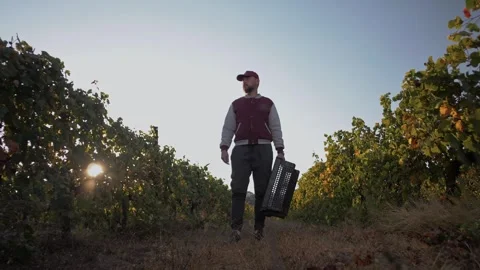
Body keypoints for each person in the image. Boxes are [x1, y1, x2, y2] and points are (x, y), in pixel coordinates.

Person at [219, 70, 285, 242]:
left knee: (261, 191)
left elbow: (276, 126)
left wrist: (280, 149)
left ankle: (258, 229)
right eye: (242, 80)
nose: (244, 82)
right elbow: (228, 127)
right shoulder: (236, 104)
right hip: (240, 150)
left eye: (247, 79)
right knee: (238, 189)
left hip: (264, 149)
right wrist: (224, 147)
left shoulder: (268, 103)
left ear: (257, 81)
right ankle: (236, 230)